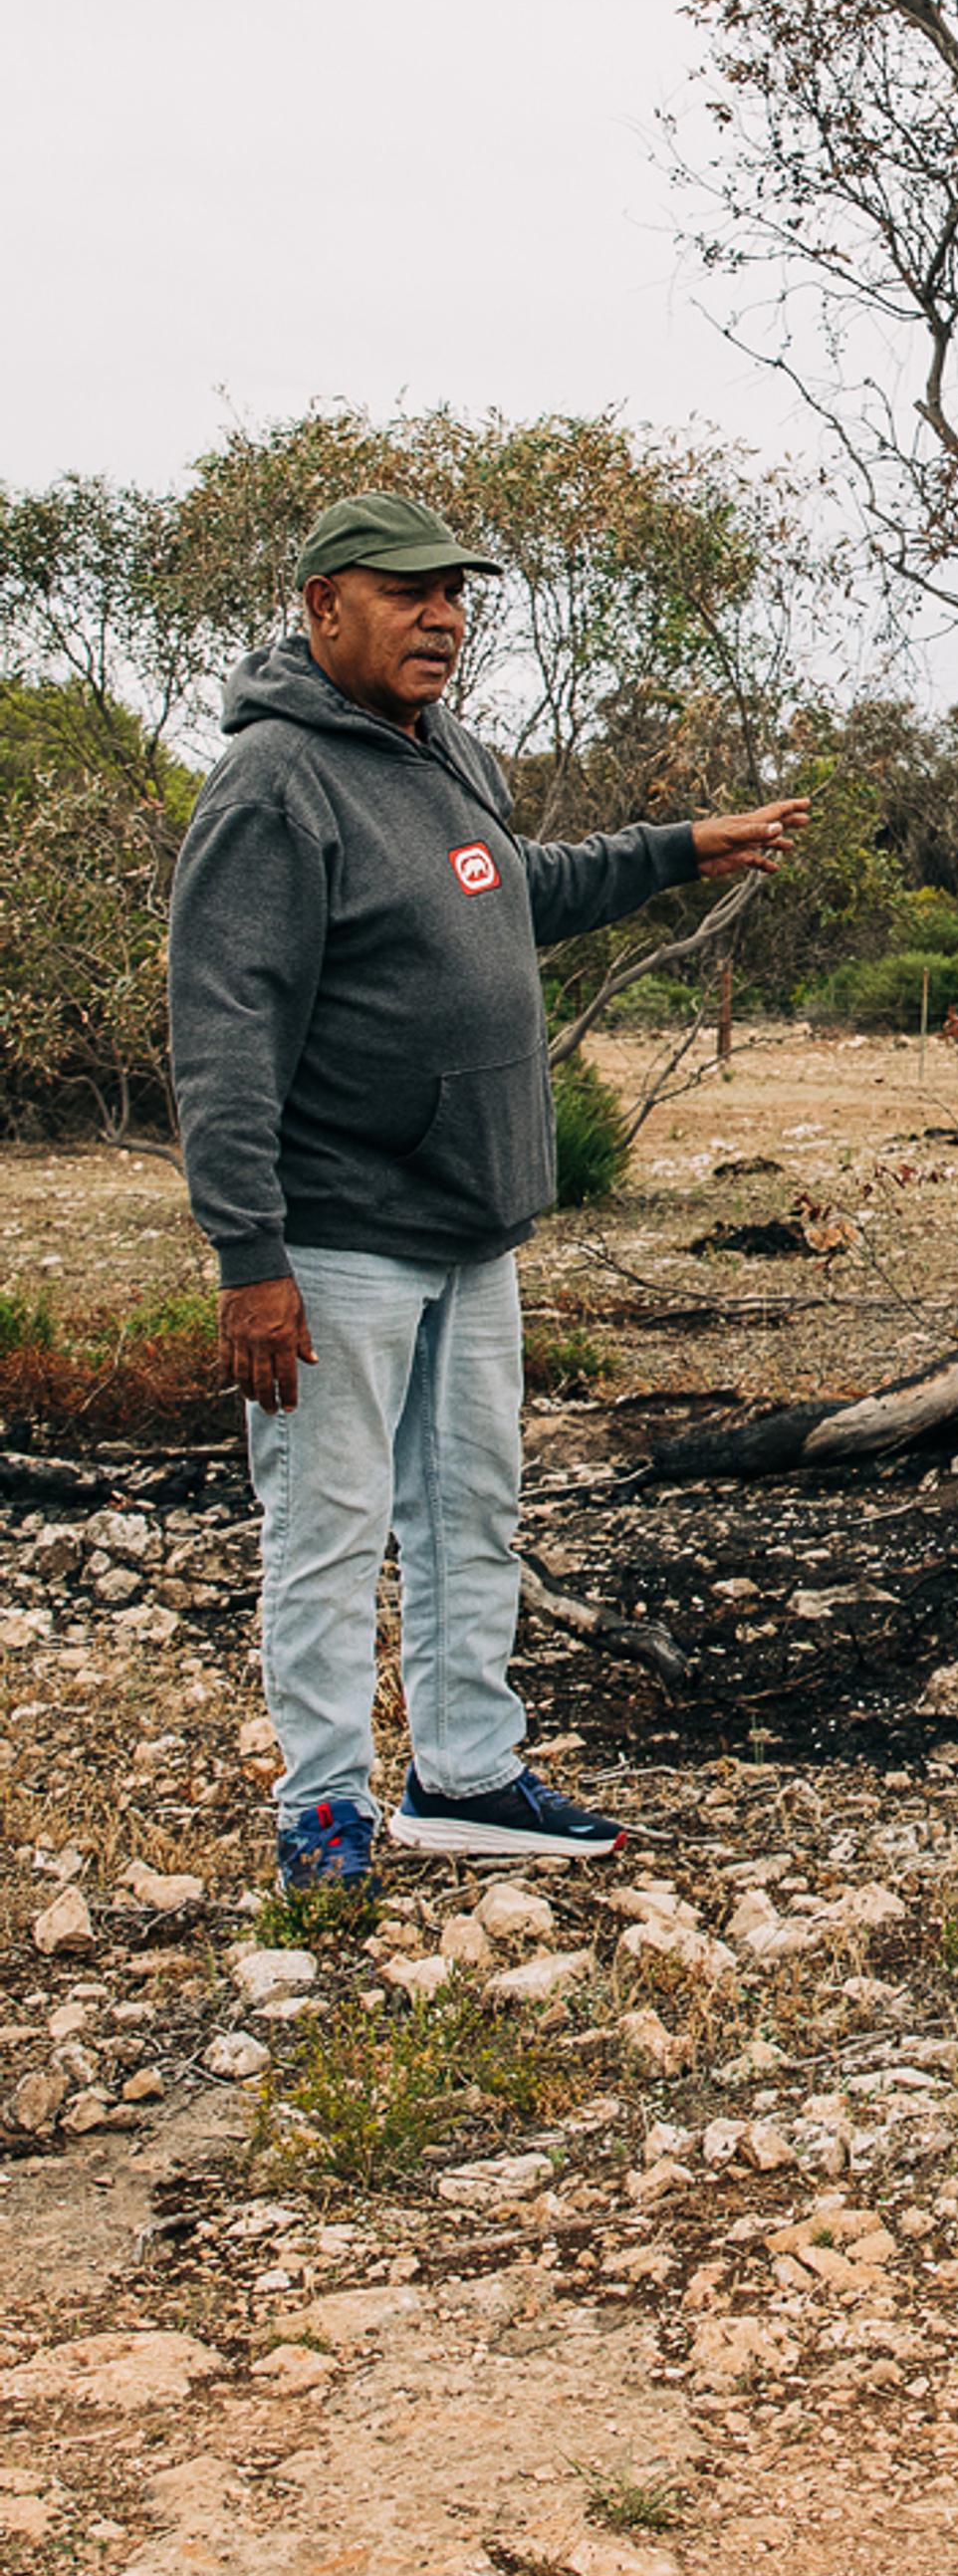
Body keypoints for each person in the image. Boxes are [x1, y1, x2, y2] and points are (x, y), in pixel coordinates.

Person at [167, 490, 806, 1889]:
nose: (442, 616)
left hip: (472, 1230)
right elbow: (221, 1027)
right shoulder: (276, 782)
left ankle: (463, 1775)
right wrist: (247, 1255)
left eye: (455, 592)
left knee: (471, 1509)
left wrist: (683, 843)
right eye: (408, 592)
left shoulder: (448, 754)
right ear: (324, 604)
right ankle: (322, 1812)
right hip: (337, 1240)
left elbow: (520, 889)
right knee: (328, 1528)